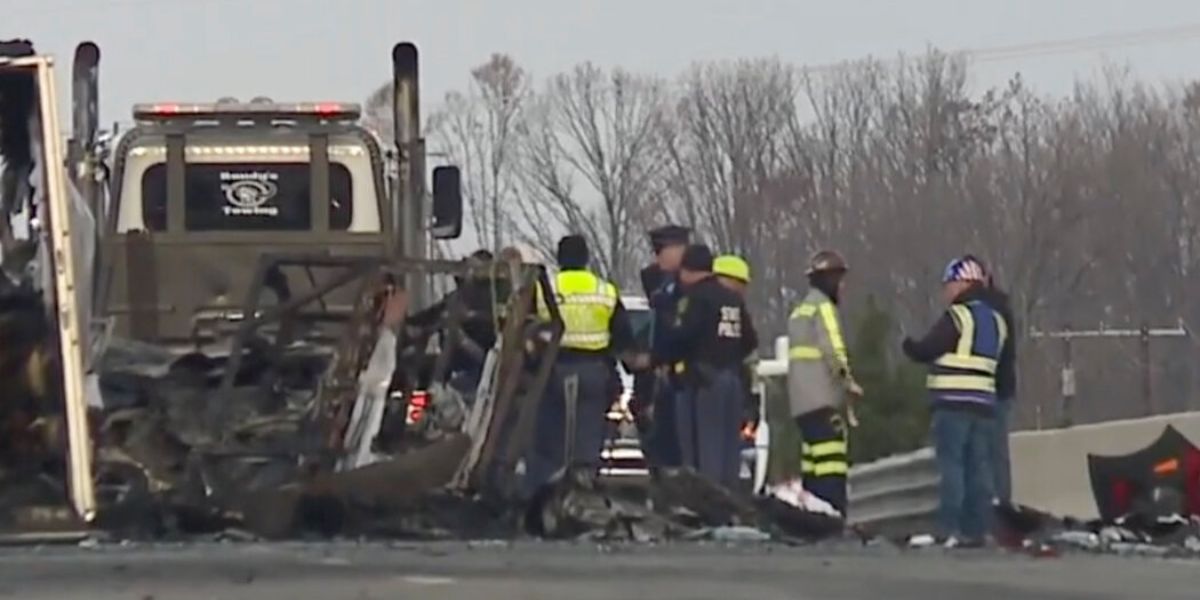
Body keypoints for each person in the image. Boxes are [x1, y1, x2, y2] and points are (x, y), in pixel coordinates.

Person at [901, 256, 1007, 548]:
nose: (946, 291)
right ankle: (976, 530)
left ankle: (949, 528)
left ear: (962, 284)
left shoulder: (958, 316)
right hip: (984, 405)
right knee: (979, 469)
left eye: (949, 284)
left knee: (952, 467)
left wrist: (909, 346)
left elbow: (929, 348)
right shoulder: (997, 321)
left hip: (953, 403)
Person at [524, 234, 636, 495]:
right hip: (593, 372)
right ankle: (582, 495)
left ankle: (543, 498)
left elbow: (524, 331)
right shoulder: (604, 291)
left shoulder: (543, 289)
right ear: (586, 259)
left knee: (547, 439)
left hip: (551, 372)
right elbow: (623, 340)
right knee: (587, 438)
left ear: (559, 258)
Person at [656, 244, 757, 488]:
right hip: (731, 381)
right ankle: (728, 506)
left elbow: (682, 337)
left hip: (702, 383)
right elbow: (750, 340)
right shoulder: (732, 299)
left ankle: (707, 510)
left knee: (702, 456)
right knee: (727, 454)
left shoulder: (696, 298)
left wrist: (662, 357)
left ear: (688, 271)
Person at [786, 250, 862, 516]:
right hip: (822, 399)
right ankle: (832, 515)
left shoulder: (799, 312)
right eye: (840, 280)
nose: (842, 287)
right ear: (829, 280)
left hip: (801, 404)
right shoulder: (823, 309)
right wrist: (847, 381)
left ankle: (813, 516)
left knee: (813, 464)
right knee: (831, 462)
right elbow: (833, 349)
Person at [633, 224, 691, 470]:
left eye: (662, 250)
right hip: (656, 378)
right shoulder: (658, 282)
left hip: (678, 375)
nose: (657, 257)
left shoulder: (686, 287)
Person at [962, 255, 1017, 507]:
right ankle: (998, 503)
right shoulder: (999, 307)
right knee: (994, 452)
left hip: (988, 390)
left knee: (988, 452)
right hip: (994, 389)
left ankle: (994, 505)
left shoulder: (987, 310)